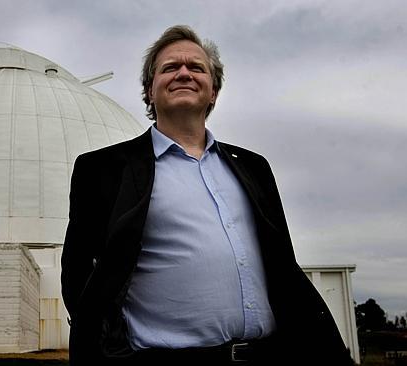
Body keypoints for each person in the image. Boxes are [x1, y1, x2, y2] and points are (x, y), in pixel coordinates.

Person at [61, 25, 353, 365]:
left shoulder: (253, 168)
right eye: (170, 67)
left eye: (196, 67)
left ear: (212, 91)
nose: (184, 73)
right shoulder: (104, 170)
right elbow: (79, 277)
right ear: (149, 91)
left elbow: (282, 265)